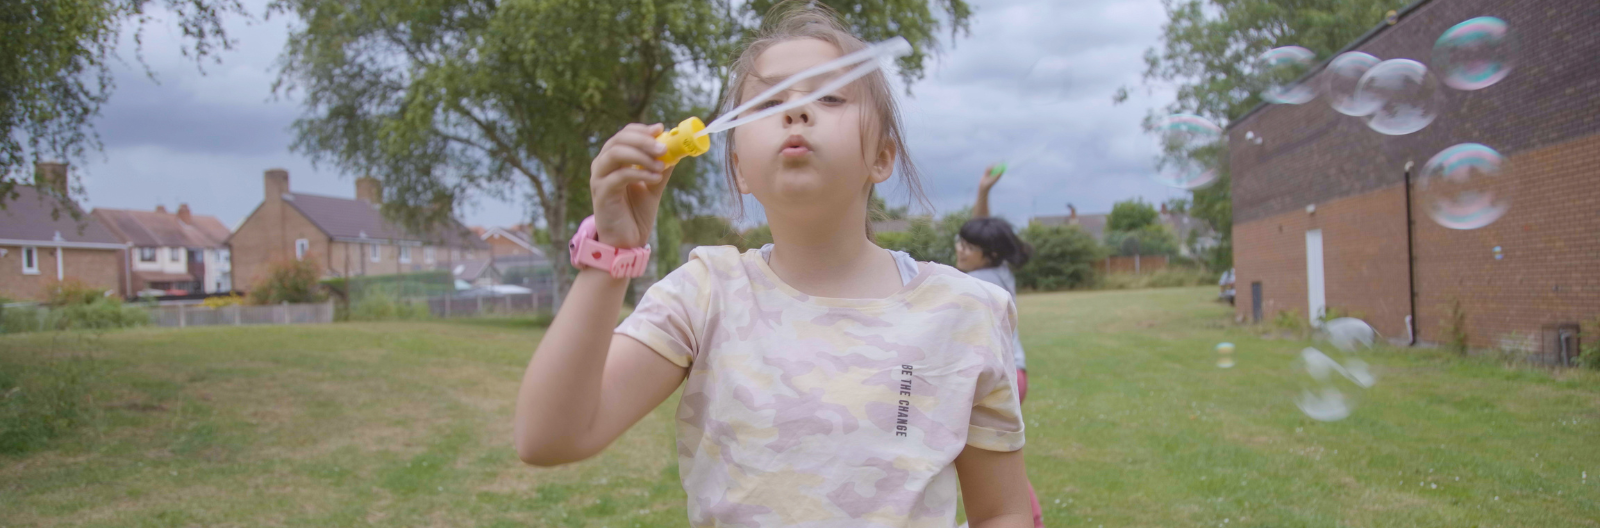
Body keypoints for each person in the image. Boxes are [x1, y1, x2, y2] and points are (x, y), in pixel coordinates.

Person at [512, 4, 1033, 527]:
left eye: (829, 95)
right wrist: (611, 256)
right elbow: (549, 436)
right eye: (768, 101)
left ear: (883, 155)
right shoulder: (705, 295)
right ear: (738, 167)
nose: (797, 111)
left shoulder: (964, 311)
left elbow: (1002, 512)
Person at [956, 165, 1043, 527]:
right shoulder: (1000, 271)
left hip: (999, 378)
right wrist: (983, 191)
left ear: (986, 254)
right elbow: (984, 228)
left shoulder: (974, 283)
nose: (959, 249)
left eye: (967, 246)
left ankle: (1028, 517)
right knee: (993, 458)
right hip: (1015, 374)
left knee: (992, 461)